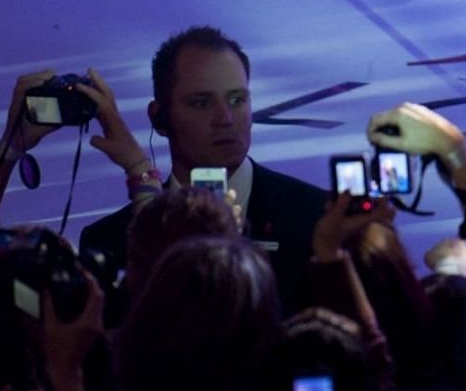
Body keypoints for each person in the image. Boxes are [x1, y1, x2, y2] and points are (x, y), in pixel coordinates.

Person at [78, 26, 328, 313]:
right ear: (160, 118)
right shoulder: (110, 240)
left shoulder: (318, 219)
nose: (225, 118)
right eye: (201, 103)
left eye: (237, 100)